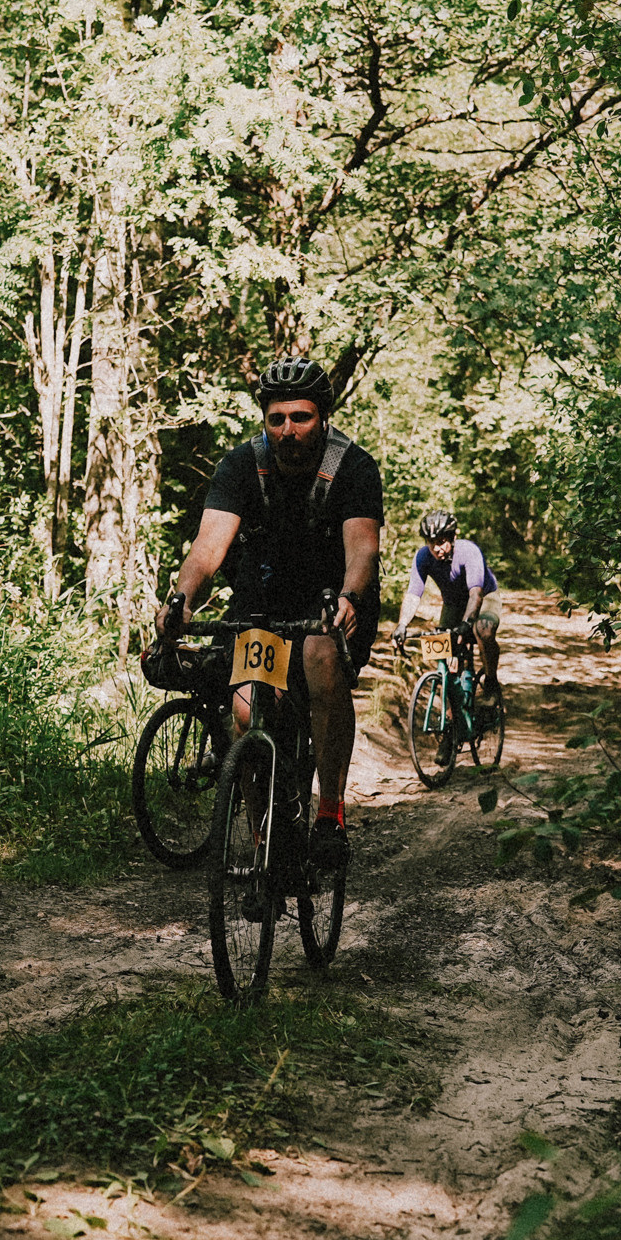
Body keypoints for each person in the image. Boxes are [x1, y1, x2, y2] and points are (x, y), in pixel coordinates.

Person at [152, 355, 383, 869]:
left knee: (322, 658)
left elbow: (363, 549)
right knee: (245, 710)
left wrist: (348, 598)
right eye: (276, 418)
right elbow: (208, 547)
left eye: (300, 418)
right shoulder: (240, 465)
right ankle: (264, 841)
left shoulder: (353, 468)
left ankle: (330, 815)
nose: (288, 430)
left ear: (322, 418)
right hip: (262, 600)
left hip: (331, 600)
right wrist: (181, 602)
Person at [392, 510, 501, 695]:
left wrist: (466, 624)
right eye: (431, 543)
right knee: (440, 644)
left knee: (483, 628)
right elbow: (413, 595)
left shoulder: (469, 551)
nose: (436, 549)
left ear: (452, 538)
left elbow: (476, 594)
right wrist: (402, 625)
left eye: (441, 542)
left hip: (484, 597)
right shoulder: (423, 557)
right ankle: (449, 711)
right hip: (453, 602)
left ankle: (491, 680)